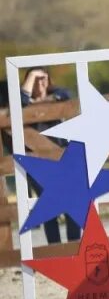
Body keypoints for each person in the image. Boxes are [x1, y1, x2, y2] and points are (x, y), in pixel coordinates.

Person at [19, 67, 80, 244]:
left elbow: (66, 95)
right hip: (36, 163)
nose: (40, 82)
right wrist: (31, 77)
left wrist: (41, 100)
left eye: (43, 77)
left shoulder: (58, 96)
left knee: (71, 204)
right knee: (48, 206)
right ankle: (56, 251)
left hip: (62, 160)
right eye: (35, 79)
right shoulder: (20, 103)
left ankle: (73, 248)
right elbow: (20, 102)